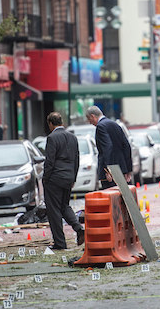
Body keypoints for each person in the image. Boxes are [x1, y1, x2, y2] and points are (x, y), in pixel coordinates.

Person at [43, 112, 85, 250]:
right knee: (65, 206)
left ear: (50, 123)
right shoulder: (73, 137)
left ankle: (60, 242)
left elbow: (50, 161)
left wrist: (45, 178)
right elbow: (77, 159)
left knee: (54, 210)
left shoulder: (52, 138)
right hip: (68, 178)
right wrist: (73, 178)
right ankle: (78, 228)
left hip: (54, 178)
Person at [85, 106, 132, 189]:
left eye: (89, 119)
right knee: (122, 196)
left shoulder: (100, 126)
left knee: (110, 197)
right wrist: (128, 169)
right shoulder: (115, 124)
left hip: (110, 172)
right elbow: (126, 146)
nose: (90, 122)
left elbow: (107, 147)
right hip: (121, 168)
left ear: (92, 116)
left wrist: (108, 170)